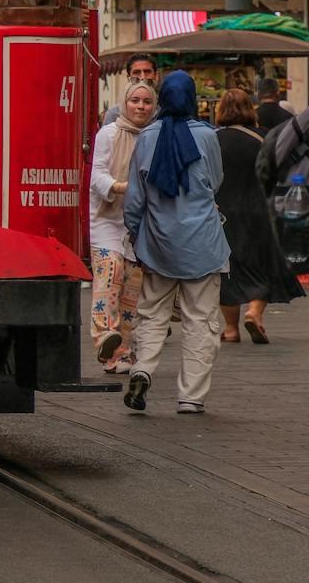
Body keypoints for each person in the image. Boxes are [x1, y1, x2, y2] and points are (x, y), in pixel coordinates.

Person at [122, 71, 231, 415]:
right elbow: (215, 182)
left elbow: (134, 200)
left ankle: (142, 370)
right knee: (201, 319)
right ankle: (191, 396)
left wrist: (136, 235)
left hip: (159, 244)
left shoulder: (147, 137)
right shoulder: (206, 136)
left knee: (152, 315)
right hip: (203, 244)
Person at [213, 89, 303, 343]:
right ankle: (254, 312)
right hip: (260, 210)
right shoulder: (265, 137)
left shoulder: (213, 139)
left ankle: (231, 329)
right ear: (249, 109)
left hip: (224, 213)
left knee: (228, 270)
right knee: (264, 264)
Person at [89, 80, 155, 373]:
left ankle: (122, 353)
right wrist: (120, 187)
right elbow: (96, 174)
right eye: (135, 101)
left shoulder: (155, 136)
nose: (140, 107)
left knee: (132, 287)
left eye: (146, 102)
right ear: (125, 103)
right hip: (107, 219)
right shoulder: (109, 133)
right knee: (111, 270)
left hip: (139, 224)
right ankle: (104, 335)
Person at [102, 55, 159, 126]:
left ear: (156, 76)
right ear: (128, 78)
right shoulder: (114, 115)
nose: (142, 77)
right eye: (136, 72)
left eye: (147, 72)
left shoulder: (164, 113)